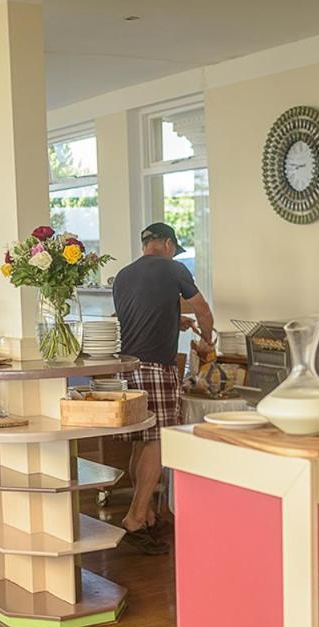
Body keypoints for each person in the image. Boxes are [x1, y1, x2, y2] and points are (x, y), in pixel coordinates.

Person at [112, 222, 214, 555]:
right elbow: (203, 310)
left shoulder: (124, 276)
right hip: (156, 365)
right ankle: (135, 518)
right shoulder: (173, 269)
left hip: (128, 367)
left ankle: (147, 514)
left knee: (142, 441)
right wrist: (206, 342)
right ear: (168, 244)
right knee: (157, 442)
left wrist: (174, 319)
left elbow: (141, 313)